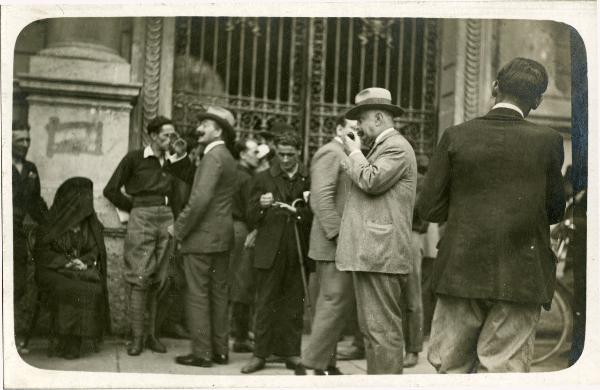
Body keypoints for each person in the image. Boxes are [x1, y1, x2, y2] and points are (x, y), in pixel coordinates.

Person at [417, 57, 566, 373]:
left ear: (495, 87)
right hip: (521, 276)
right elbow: (554, 211)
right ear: (538, 101)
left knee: (452, 369)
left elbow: (429, 208)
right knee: (502, 372)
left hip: (459, 272)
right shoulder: (549, 141)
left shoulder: (456, 136)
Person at [336, 87, 417, 374]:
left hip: (380, 253)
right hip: (373, 252)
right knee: (373, 332)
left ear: (380, 117)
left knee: (382, 333)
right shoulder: (384, 147)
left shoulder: (396, 147)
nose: (358, 126)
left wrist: (355, 153)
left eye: (362, 118)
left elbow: (371, 181)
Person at [103, 116, 179, 356]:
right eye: (166, 135)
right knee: (140, 277)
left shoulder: (174, 161)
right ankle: (136, 339)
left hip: (167, 219)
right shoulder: (135, 158)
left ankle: (151, 336)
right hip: (142, 219)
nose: (171, 140)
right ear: (153, 136)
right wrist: (136, 208)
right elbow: (111, 189)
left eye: (173, 135)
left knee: (160, 278)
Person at [241, 131, 312, 374]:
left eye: (289, 155)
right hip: (269, 249)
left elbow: (315, 213)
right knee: (265, 303)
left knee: (294, 303)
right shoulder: (262, 178)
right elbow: (248, 215)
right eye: (280, 154)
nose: (284, 159)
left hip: (298, 250)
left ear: (299, 153)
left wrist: (300, 214)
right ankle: (259, 354)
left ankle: (291, 353)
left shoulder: (308, 179)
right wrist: (260, 207)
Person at [171, 106, 237, 368]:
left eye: (205, 126)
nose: (199, 129)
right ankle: (220, 351)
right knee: (219, 294)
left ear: (218, 130)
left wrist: (179, 227)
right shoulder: (227, 156)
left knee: (198, 294)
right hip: (221, 236)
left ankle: (201, 353)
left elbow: (200, 200)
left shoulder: (212, 157)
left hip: (202, 238)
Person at [296, 115, 358, 375]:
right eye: (352, 129)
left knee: (334, 303)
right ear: (339, 129)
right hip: (333, 243)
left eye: (359, 130)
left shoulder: (346, 152)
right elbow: (320, 198)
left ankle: (326, 364)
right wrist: (337, 235)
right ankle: (310, 362)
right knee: (334, 301)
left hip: (338, 242)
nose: (357, 134)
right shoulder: (330, 153)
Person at [34, 177, 109, 359]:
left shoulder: (90, 224)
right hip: (52, 271)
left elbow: (94, 250)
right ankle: (66, 339)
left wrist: (84, 262)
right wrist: (64, 262)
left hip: (79, 270)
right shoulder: (52, 221)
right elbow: (41, 252)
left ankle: (76, 339)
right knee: (67, 287)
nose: (88, 202)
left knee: (92, 287)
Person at [12, 121, 48, 318]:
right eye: (20, 140)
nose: (25, 144)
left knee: (17, 284)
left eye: (28, 140)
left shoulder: (30, 168)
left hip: (17, 234)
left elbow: (36, 202)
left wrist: (51, 221)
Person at [229, 138, 260, 353]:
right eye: (254, 151)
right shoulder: (247, 178)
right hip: (243, 231)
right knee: (243, 283)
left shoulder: (234, 173)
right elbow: (252, 210)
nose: (257, 155)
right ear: (242, 154)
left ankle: (238, 331)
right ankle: (240, 337)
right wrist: (256, 229)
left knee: (235, 280)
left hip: (231, 228)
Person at [401, 154, 429, 368]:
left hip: (411, 235)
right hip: (390, 233)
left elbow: (420, 209)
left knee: (412, 295)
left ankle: (413, 349)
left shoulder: (419, 180)